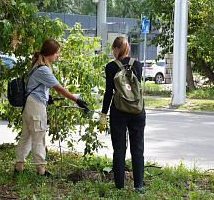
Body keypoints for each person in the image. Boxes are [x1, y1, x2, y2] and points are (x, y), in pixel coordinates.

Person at [15, 38, 89, 177]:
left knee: (26, 136)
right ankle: (41, 171)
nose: (58, 55)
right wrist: (77, 100)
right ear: (50, 53)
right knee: (38, 136)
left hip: (29, 104)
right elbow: (59, 88)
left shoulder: (36, 66)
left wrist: (48, 98)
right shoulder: (43, 69)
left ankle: (19, 167)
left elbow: (35, 87)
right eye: (56, 53)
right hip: (35, 106)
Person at [100, 37, 146, 192]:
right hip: (137, 110)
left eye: (113, 49)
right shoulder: (137, 65)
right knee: (137, 148)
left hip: (119, 111)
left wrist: (103, 114)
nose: (113, 52)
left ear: (116, 49)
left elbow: (108, 93)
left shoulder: (111, 67)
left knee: (119, 149)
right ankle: (138, 186)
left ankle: (120, 187)